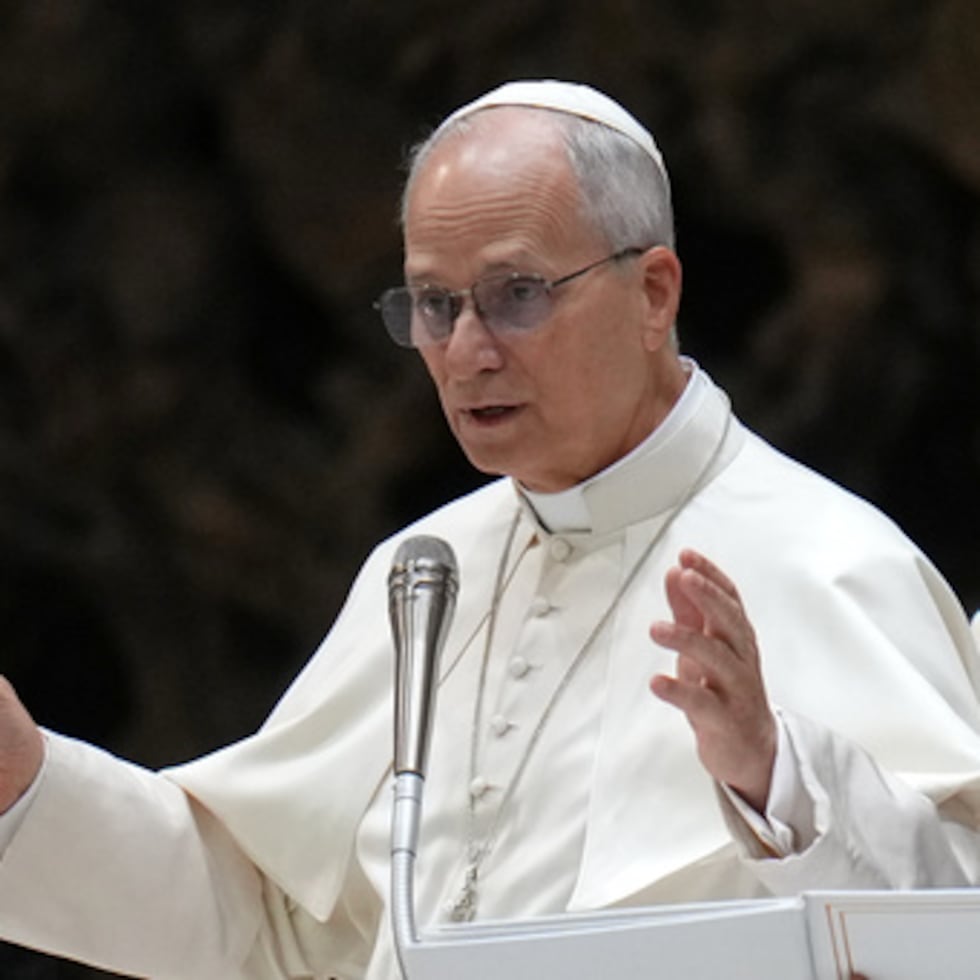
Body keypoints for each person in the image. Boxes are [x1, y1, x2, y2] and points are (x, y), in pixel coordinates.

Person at [1, 79, 980, 980]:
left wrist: (780, 777)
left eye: (516, 294)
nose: (465, 352)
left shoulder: (829, 560)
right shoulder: (424, 574)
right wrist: (23, 781)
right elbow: (264, 920)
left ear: (652, 293)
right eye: (432, 304)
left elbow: (947, 933)